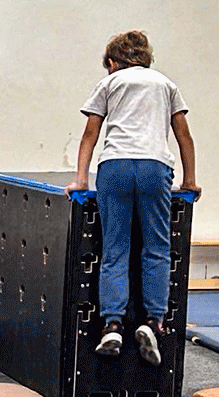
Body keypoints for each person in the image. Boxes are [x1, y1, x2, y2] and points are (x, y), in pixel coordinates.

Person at [65, 30, 198, 364]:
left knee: (115, 249)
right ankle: (154, 321)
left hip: (116, 166)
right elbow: (183, 136)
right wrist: (190, 181)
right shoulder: (165, 84)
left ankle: (112, 324)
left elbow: (89, 135)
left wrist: (81, 180)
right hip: (155, 167)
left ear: (112, 62)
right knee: (156, 247)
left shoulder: (109, 83)